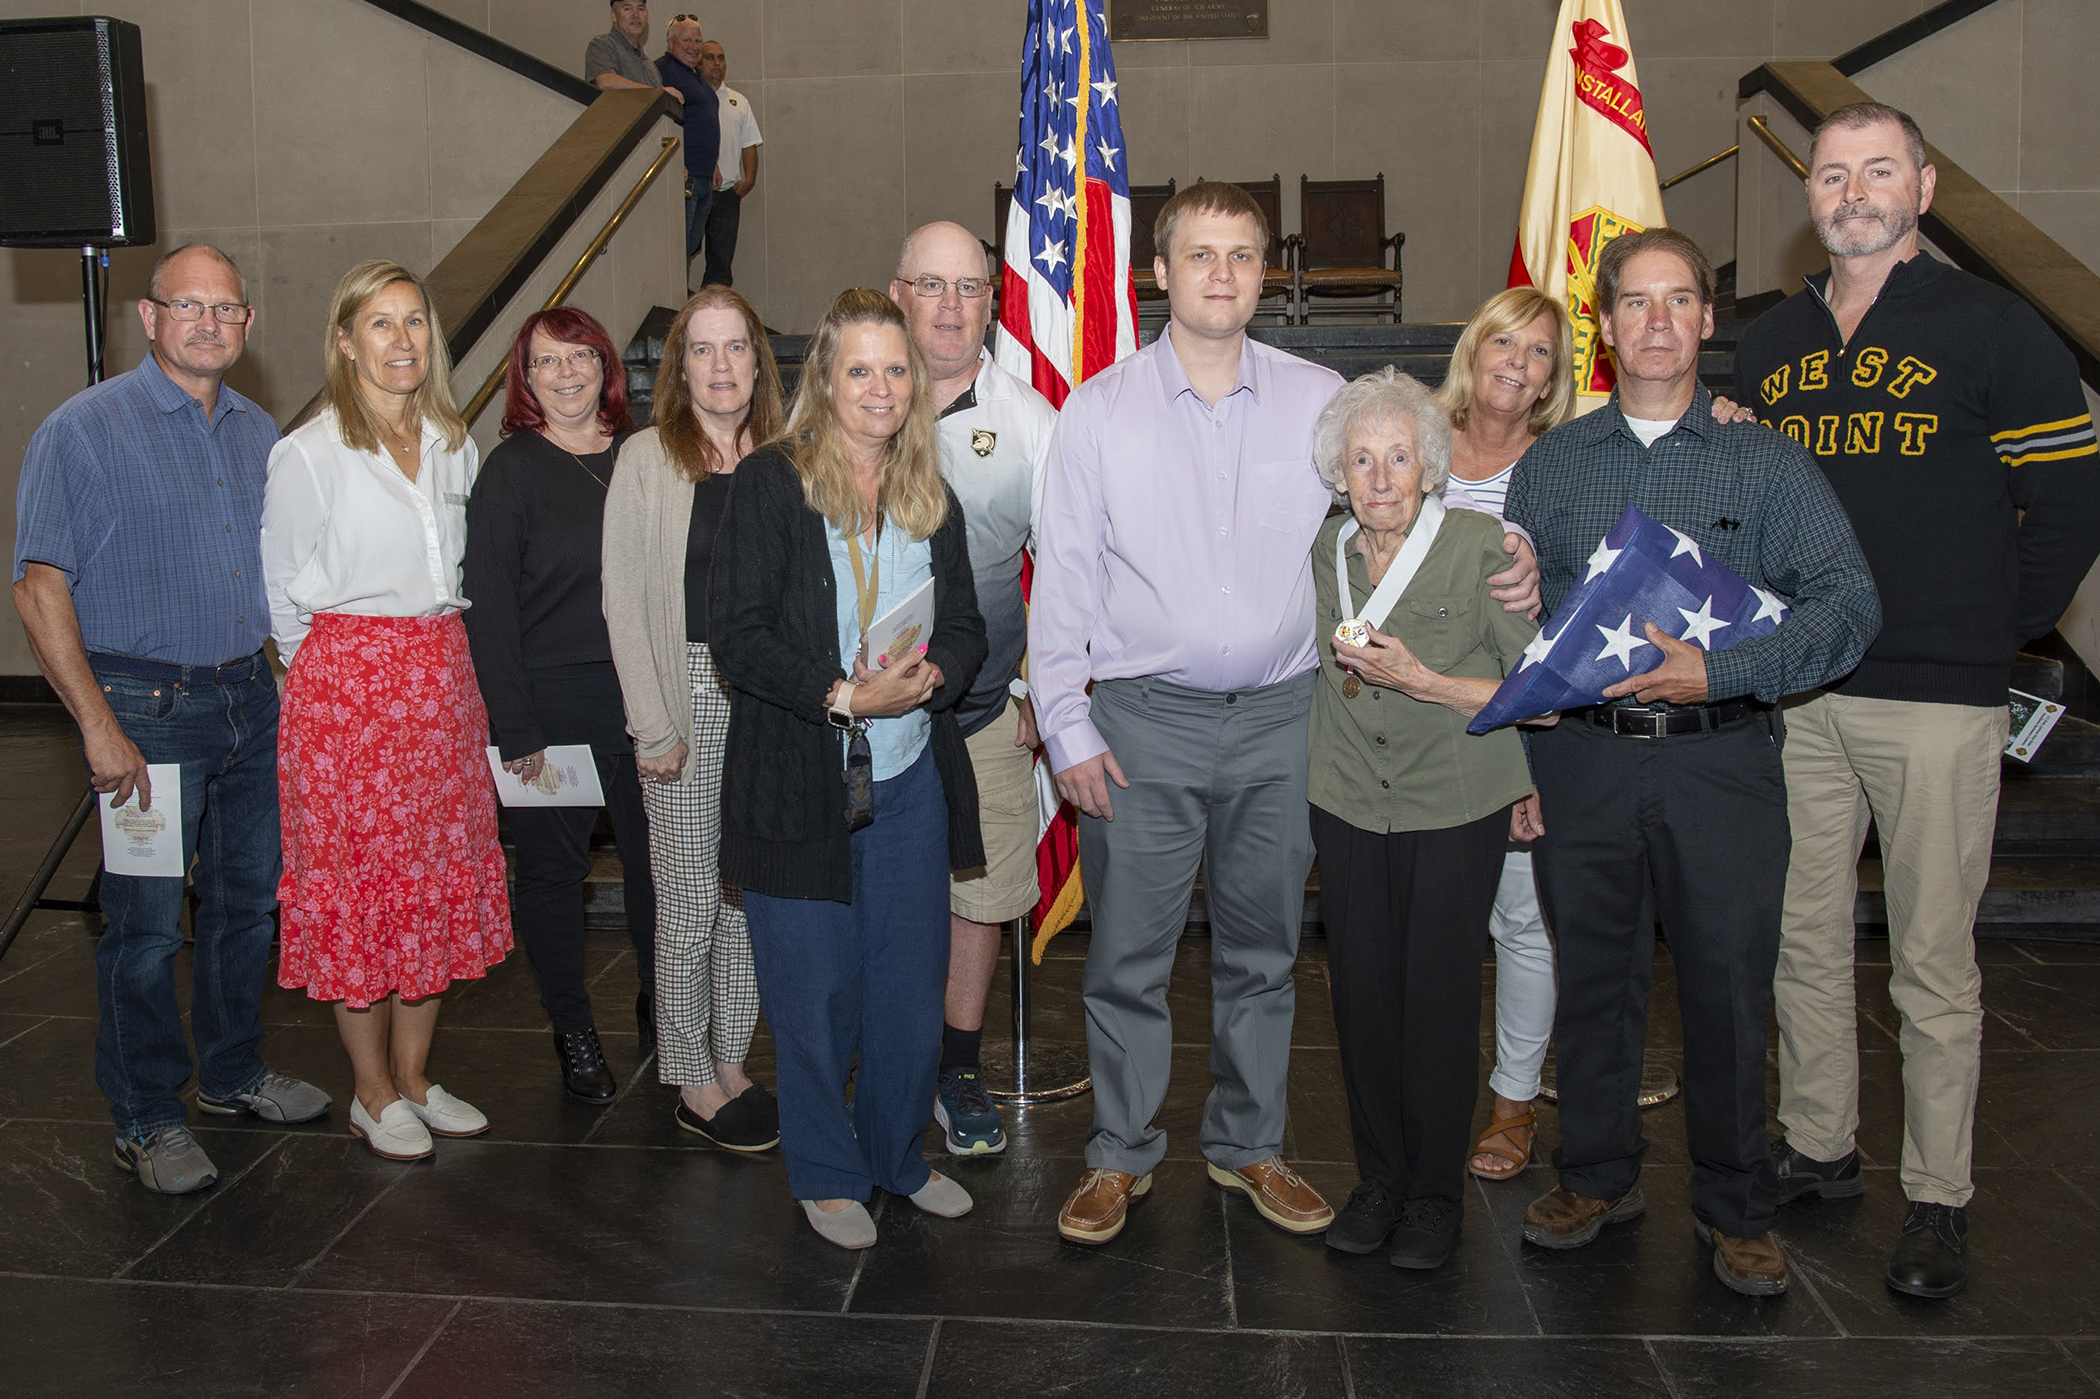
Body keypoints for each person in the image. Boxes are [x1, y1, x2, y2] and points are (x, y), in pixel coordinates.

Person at [1030, 181, 1541, 1249]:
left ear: (1266, 275)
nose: (1222, 272)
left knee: (1265, 948)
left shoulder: (1322, 397)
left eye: (1244, 254)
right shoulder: (1098, 410)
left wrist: (1515, 554)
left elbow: (1412, 487)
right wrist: (1068, 725)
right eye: (1200, 253)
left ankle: (1248, 1140)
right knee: (1130, 951)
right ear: (1159, 273)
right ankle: (1119, 1154)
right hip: (1142, 722)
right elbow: (1065, 578)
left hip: (1284, 721)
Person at [1736, 101, 2100, 1300]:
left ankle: (1938, 1196)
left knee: (1934, 960)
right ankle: (1820, 1141)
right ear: (1812, 196)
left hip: (1938, 700)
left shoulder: (1997, 326)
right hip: (1801, 691)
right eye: (1833, 174)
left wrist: (1989, 630)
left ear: (1925, 189)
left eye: (1877, 170)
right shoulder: (1775, 342)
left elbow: (2068, 506)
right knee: (1803, 931)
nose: (1851, 191)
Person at [1503, 227, 1880, 1297]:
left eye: (1680, 301)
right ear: (1606, 324)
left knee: (1725, 986)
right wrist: (1521, 755)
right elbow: (1524, 632)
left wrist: (1718, 672)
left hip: (1723, 764)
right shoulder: (1556, 463)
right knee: (1596, 980)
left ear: (1709, 321)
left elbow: (1850, 605)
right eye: (1635, 302)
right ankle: (1597, 1172)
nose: (1658, 322)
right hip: (1585, 761)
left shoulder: (1766, 460)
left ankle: (1736, 1204)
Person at [10, 244, 330, 1195]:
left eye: (226, 309)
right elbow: (37, 589)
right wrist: (99, 725)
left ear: (246, 324)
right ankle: (147, 1115)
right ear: (149, 318)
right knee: (146, 927)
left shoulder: (257, 431)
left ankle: (231, 1072)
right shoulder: (84, 429)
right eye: (187, 306)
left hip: (247, 698)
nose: (208, 323)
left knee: (246, 905)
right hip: (145, 710)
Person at [709, 288, 988, 1250]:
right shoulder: (771, 483)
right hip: (799, 780)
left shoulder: (927, 487)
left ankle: (899, 1157)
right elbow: (737, 641)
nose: (879, 388)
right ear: (825, 379)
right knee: (815, 993)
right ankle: (828, 1172)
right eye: (859, 369)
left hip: (907, 777)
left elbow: (965, 625)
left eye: (895, 369)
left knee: (909, 990)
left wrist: (935, 673)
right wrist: (840, 692)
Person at [261, 260, 513, 1163]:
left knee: (434, 881)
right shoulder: (309, 453)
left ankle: (413, 1076)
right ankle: (369, 1091)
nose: (402, 340)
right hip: (349, 696)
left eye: (415, 323)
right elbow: (282, 600)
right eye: (380, 323)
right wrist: (338, 686)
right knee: (360, 894)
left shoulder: (456, 442)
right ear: (344, 340)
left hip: (444, 683)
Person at [1309, 369, 1542, 1269]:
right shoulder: (1322, 551)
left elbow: (1541, 694)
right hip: (1347, 798)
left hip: (1455, 801)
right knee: (1362, 997)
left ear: (1430, 467)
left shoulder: (1483, 547)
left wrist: (1428, 682)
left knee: (1437, 998)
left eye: (1398, 456)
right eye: (1361, 458)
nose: (1379, 476)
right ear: (1337, 473)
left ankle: (1436, 1194)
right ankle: (1379, 1179)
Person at [603, 287, 785, 1151]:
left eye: (735, 347)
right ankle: (687, 1073)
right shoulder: (647, 458)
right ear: (680, 367)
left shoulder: (787, 455)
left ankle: (731, 1056)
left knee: (747, 897)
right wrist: (653, 723)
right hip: (686, 695)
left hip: (770, 705)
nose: (720, 365)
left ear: (758, 359)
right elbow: (625, 600)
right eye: (702, 350)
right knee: (685, 903)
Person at [889, 222, 1057, 1157]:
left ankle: (958, 1063)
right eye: (932, 285)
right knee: (881, 890)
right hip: (869, 719)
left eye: (970, 287)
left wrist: (1044, 689)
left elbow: (1068, 569)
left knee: (983, 894)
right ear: (897, 291)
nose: (951, 307)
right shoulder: (846, 405)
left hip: (986, 712)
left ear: (992, 299)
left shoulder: (1030, 421)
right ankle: (888, 1058)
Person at [462, 308, 657, 1105]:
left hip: (643, 703)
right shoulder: (510, 471)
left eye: (580, 355)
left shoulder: (644, 456)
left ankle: (664, 1009)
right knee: (552, 873)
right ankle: (573, 1028)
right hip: (549, 713)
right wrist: (516, 729)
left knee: (660, 870)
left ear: (605, 366)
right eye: (547, 361)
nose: (567, 372)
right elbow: (490, 609)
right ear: (526, 378)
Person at [1433, 288, 1575, 1185]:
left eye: (1540, 354)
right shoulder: (1411, 431)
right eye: (1505, 342)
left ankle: (1514, 1102)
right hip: (1410, 720)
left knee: (1521, 921)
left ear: (1553, 381)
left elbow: (1574, 608)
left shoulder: (1564, 465)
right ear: (1474, 348)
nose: (1517, 363)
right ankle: (1431, 1092)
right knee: (1436, 926)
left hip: (1514, 719)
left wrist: (1528, 758)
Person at [656, 15, 720, 279]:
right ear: (671, 43)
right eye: (686, 40)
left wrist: (714, 163)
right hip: (687, 178)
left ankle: (680, 296)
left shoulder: (696, 76)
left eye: (697, 40)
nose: (694, 46)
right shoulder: (662, 69)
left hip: (704, 177)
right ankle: (675, 302)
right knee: (677, 248)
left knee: (691, 245)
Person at [698, 38, 761, 290]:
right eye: (710, 57)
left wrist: (749, 178)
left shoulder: (739, 102)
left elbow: (750, 144)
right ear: (699, 62)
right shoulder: (691, 98)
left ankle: (715, 313)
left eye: (720, 58)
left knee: (721, 263)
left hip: (727, 195)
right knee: (684, 251)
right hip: (694, 190)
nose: (716, 63)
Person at [584, 0, 678, 102]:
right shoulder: (602, 45)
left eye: (641, 9)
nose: (636, 15)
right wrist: (657, 93)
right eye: (627, 9)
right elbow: (605, 82)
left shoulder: (650, 64)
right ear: (614, 15)